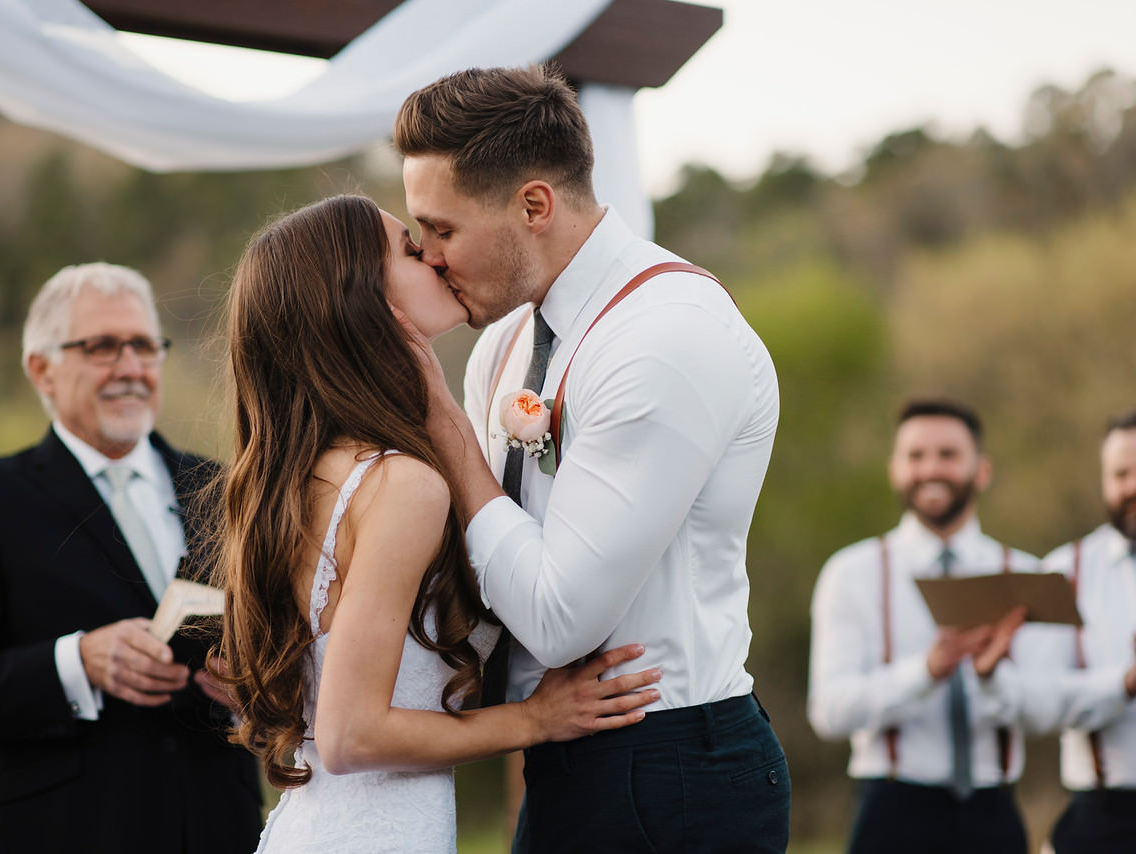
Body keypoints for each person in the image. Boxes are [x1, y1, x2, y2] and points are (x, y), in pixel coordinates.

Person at [393, 64, 791, 853]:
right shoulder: (504, 341)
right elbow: (478, 568)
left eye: (442, 230)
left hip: (673, 767)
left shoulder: (665, 334)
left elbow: (557, 619)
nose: (430, 258)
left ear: (533, 204)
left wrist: (443, 427)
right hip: (562, 754)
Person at [212, 194, 662, 854]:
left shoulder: (300, 478)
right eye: (406, 248)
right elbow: (349, 736)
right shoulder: (399, 484)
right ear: (359, 297)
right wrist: (533, 719)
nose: (432, 255)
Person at [0, 263, 263, 854]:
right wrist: (79, 662)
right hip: (67, 831)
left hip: (217, 825)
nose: (130, 367)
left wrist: (252, 686)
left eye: (144, 346)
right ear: (41, 369)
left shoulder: (225, 489)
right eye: (102, 346)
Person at [807, 398, 1036, 854]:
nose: (930, 468)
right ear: (895, 469)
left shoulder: (1026, 574)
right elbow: (828, 712)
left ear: (982, 470)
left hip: (995, 811)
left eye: (948, 454)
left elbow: (1049, 709)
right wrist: (924, 672)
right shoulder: (851, 572)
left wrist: (992, 679)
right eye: (915, 456)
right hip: (891, 812)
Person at [1014, 409, 1136, 853]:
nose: (1133, 486)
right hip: (1102, 822)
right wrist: (1124, 683)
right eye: (1122, 473)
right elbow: (1038, 703)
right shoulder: (1065, 571)